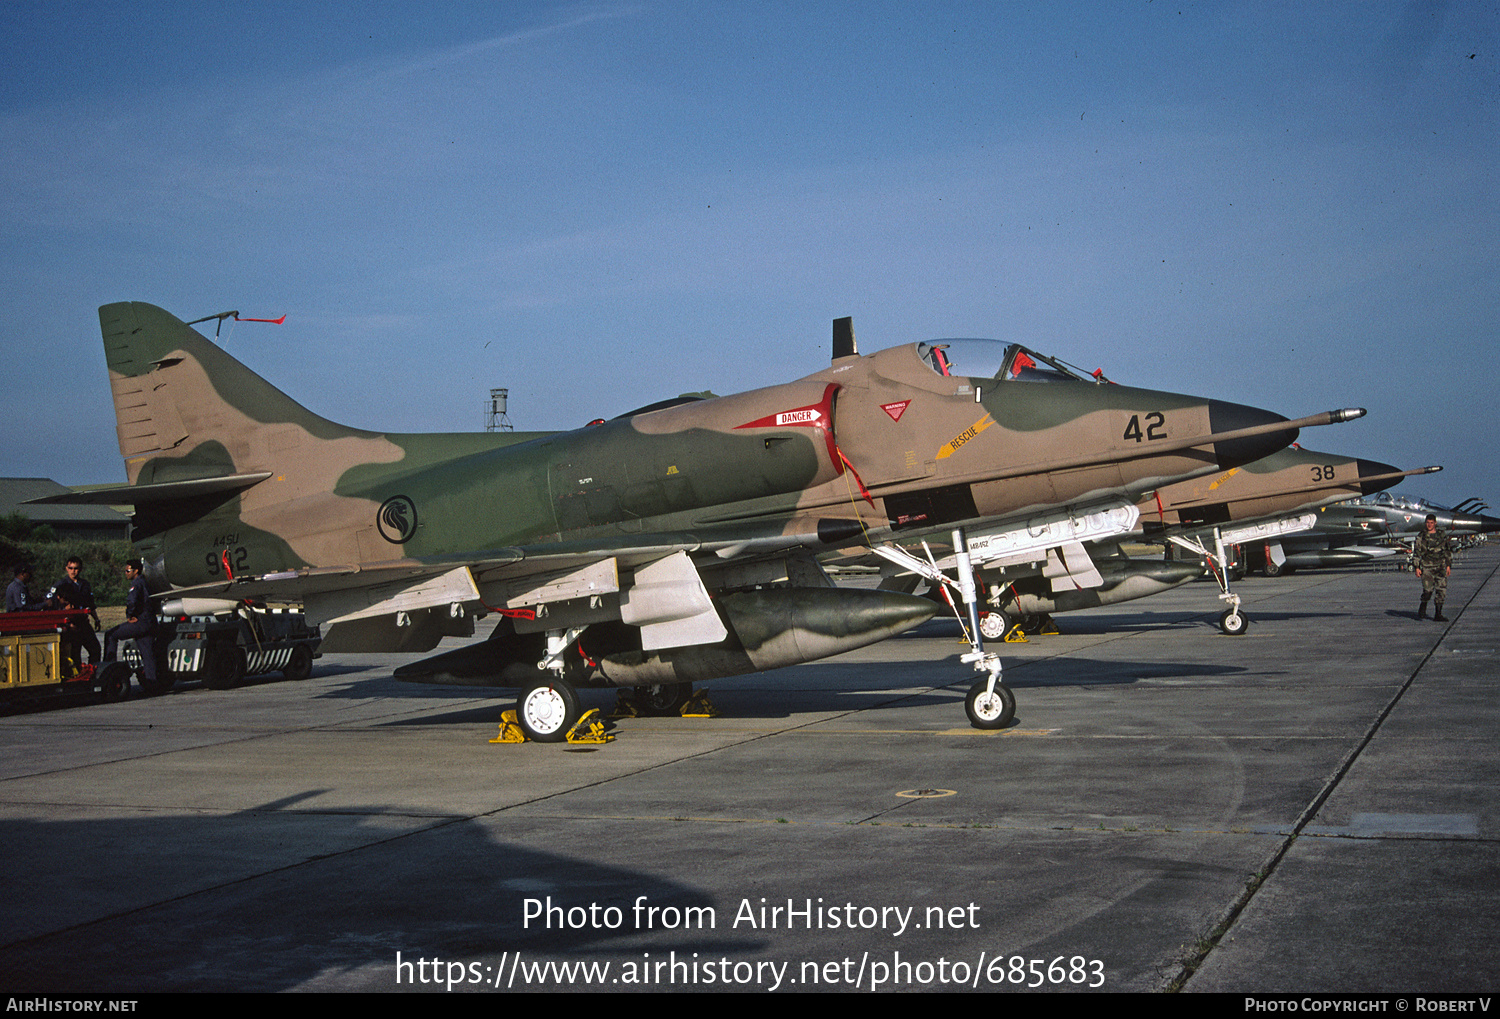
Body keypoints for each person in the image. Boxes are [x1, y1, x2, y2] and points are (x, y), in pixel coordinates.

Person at [103, 559, 158, 684]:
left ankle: (108, 671)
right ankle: (152, 684)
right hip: (150, 622)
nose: (126, 573)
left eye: (128, 570)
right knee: (147, 654)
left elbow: (132, 601)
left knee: (111, 635)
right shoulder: (146, 583)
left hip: (140, 622)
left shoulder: (136, 583)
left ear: (136, 571)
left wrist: (130, 615)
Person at [50, 556, 102, 668]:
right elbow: (54, 606)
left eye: (76, 568)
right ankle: (77, 679)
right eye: (71, 568)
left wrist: (96, 619)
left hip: (83, 622)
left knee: (95, 649)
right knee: (74, 654)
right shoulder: (61, 585)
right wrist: (67, 622)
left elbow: (90, 604)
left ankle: (92, 672)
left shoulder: (85, 584)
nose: (73, 571)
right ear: (66, 568)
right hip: (71, 625)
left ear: (81, 569)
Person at [1413, 513, 1453, 621]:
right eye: (1427, 523)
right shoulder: (1421, 536)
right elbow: (1417, 552)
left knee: (1441, 591)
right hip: (1427, 567)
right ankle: (1423, 605)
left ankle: (1438, 614)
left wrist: (1448, 565)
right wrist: (1417, 567)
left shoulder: (1441, 535)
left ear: (1435, 523)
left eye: (1431, 523)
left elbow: (1447, 550)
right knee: (1428, 591)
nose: (1429, 525)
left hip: (1440, 566)